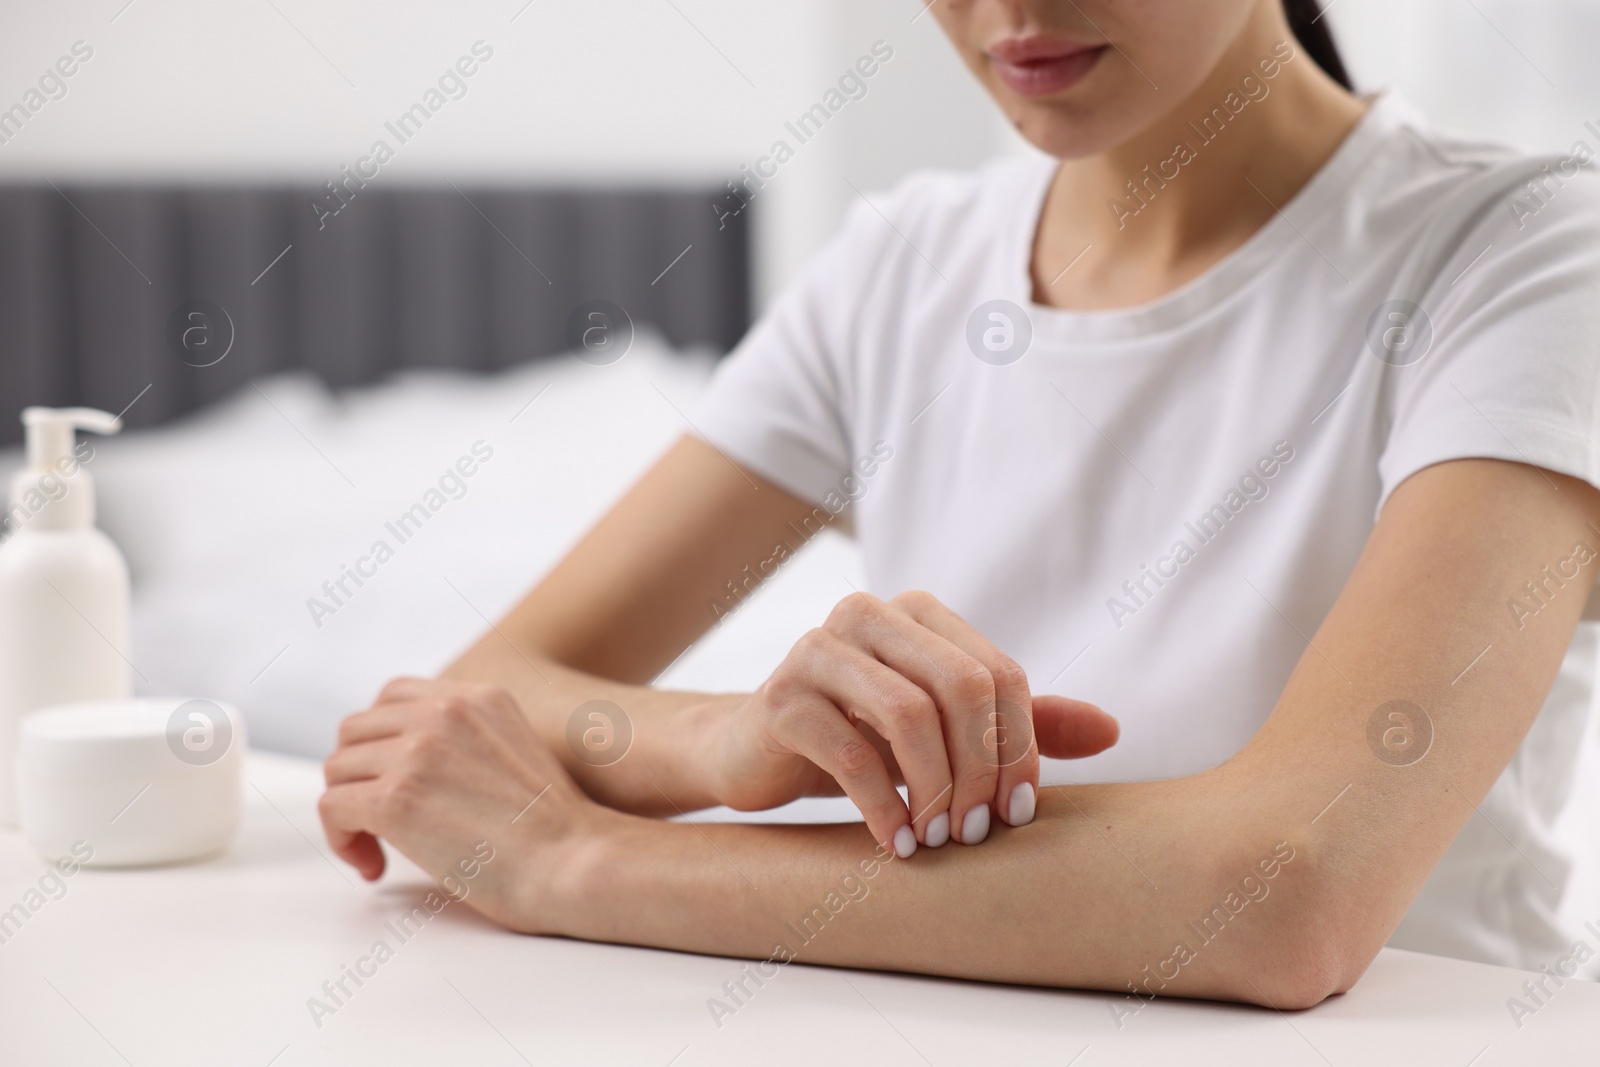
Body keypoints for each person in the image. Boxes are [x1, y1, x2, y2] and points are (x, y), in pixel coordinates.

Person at [317, 0, 1600, 1007]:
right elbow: (500, 684)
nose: (1011, 8)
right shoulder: (903, 264)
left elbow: (1285, 889)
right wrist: (722, 748)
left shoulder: (1531, 253)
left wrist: (573, 860)